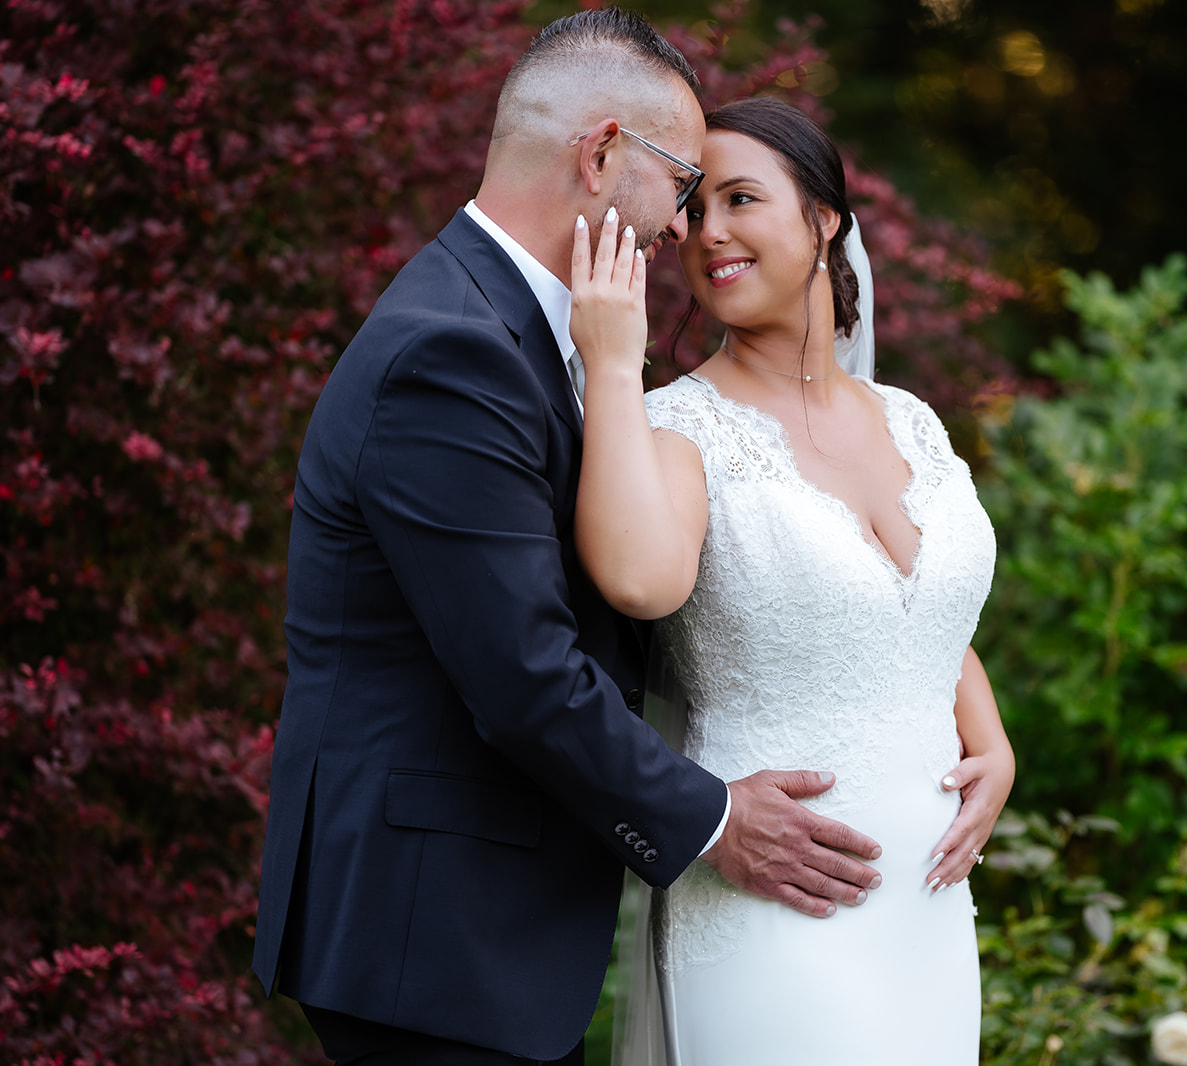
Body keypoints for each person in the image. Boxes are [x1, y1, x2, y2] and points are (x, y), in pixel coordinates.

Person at [251, 12, 886, 1066]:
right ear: (600, 155)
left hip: (468, 930)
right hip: (432, 932)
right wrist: (716, 820)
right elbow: (523, 673)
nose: (684, 230)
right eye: (681, 186)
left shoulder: (527, 329)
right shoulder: (453, 351)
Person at [569, 96, 1016, 1063]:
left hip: (929, 913)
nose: (709, 232)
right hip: (773, 903)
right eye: (693, 210)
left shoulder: (913, 423)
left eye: (740, 198)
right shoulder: (680, 431)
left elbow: (915, 611)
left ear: (825, 223)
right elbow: (641, 583)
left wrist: (993, 741)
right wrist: (611, 361)